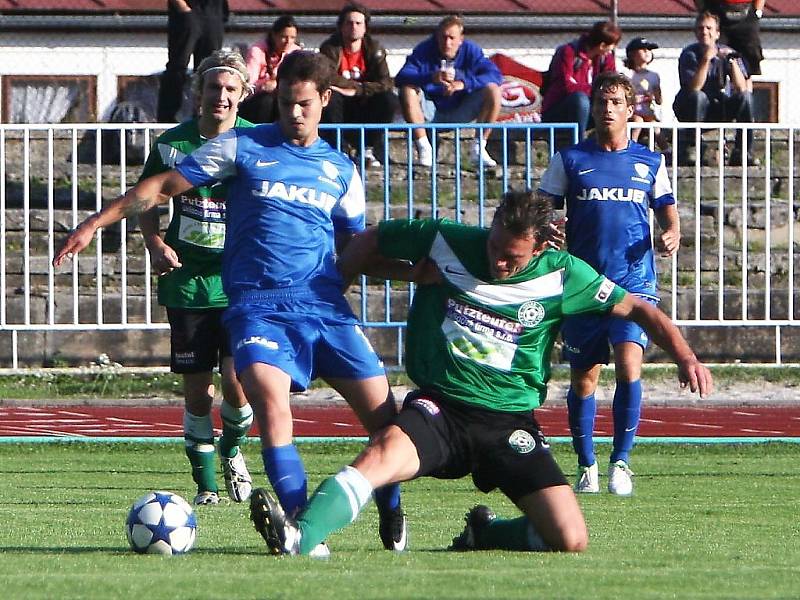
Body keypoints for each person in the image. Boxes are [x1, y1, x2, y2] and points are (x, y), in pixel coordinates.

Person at [53, 50, 407, 553]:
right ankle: (302, 531)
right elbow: (162, 186)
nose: (294, 113)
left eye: (304, 103)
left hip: (323, 308)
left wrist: (419, 274)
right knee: (270, 407)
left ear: (325, 100)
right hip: (257, 307)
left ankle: (393, 511)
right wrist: (94, 222)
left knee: (385, 423)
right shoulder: (243, 146)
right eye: (285, 103)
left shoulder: (340, 170)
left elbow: (358, 247)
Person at [247, 189, 712, 556]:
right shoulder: (448, 240)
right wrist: (377, 281)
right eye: (494, 247)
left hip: (509, 423)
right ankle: (298, 536)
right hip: (442, 409)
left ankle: (484, 532)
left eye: (512, 256)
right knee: (382, 452)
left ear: (539, 247)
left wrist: (685, 356)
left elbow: (639, 309)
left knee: (570, 539)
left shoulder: (565, 274)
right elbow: (370, 240)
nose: (498, 261)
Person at [538, 71, 681, 496]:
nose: (607, 109)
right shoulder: (570, 159)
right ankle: (587, 465)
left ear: (630, 108)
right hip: (583, 285)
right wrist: (548, 229)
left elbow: (668, 211)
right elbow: (544, 210)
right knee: (584, 379)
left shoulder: (650, 162)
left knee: (628, 365)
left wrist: (671, 232)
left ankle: (621, 462)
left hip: (634, 283)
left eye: (616, 102)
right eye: (601, 102)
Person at [139, 50, 255, 506]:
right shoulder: (172, 145)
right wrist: (155, 244)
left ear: (243, 95)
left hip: (242, 282)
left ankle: (232, 450)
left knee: (240, 381)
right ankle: (206, 486)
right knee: (197, 391)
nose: (221, 97)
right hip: (188, 281)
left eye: (230, 90)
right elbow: (143, 200)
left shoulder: (258, 143)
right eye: (213, 88)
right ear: (198, 93)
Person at [394, 14, 503, 168]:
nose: (447, 42)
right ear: (436, 37)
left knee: (493, 90)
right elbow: (401, 77)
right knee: (407, 90)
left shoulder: (471, 51)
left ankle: (479, 147)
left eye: (452, 38)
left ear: (461, 39)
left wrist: (464, 83)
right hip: (429, 110)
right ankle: (424, 146)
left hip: (460, 109)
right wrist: (431, 77)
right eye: (443, 37)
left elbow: (495, 75)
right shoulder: (424, 49)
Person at [319, 3, 399, 169]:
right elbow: (327, 77)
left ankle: (369, 148)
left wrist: (358, 90)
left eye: (358, 23)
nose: (353, 27)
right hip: (342, 104)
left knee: (388, 100)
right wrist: (352, 89)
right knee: (330, 97)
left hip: (365, 102)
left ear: (365, 28)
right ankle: (340, 148)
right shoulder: (329, 48)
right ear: (341, 27)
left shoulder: (375, 49)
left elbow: (385, 82)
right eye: (349, 23)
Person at [672, 11, 755, 166]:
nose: (704, 32)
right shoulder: (689, 54)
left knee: (746, 97)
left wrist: (732, 63)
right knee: (699, 96)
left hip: (718, 107)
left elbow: (741, 87)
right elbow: (694, 87)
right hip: (691, 108)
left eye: (709, 28)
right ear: (696, 33)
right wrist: (706, 59)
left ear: (717, 33)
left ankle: (743, 151)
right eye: (700, 28)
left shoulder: (728, 52)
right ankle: (693, 146)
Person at [541, 20, 621, 141]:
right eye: (612, 45)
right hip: (559, 110)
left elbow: (610, 84)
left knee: (617, 102)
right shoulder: (568, 52)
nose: (613, 49)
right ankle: (578, 145)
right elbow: (566, 85)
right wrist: (596, 90)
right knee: (580, 99)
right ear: (602, 45)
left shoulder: (606, 58)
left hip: (591, 111)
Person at [157, 0, 229, 123]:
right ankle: (167, 118)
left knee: (209, 67)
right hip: (188, 11)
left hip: (214, 11)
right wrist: (183, 7)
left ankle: (204, 114)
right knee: (178, 66)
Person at [238, 15, 301, 124]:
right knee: (267, 100)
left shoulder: (295, 52)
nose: (288, 42)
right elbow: (249, 83)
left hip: (284, 95)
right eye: (284, 37)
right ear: (274, 35)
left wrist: (277, 85)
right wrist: (263, 86)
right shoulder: (257, 51)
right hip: (257, 101)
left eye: (292, 38)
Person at [695, 0, 765, 92]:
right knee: (716, 56)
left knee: (748, 64)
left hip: (746, 12)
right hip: (717, 10)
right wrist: (705, 10)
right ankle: (715, 97)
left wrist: (757, 12)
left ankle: (745, 98)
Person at [623, 37, 669, 153]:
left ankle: (666, 151)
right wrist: (636, 99)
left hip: (647, 111)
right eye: (643, 49)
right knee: (637, 122)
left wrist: (655, 94)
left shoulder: (654, 76)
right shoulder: (628, 75)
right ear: (632, 54)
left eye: (649, 50)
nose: (647, 52)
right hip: (633, 112)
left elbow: (659, 100)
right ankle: (630, 146)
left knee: (655, 127)